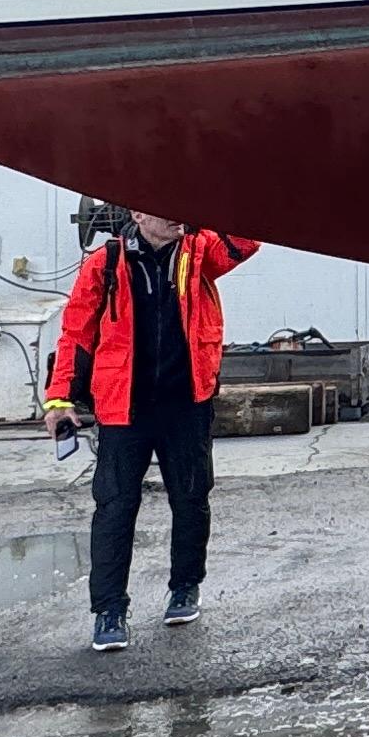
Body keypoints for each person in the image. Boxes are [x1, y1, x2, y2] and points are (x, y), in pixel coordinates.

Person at [47, 206, 256, 648]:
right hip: (125, 409)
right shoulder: (104, 264)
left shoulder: (201, 253)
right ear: (139, 214)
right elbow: (76, 333)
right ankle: (108, 611)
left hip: (187, 403)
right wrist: (60, 399)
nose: (180, 214)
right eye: (168, 205)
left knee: (192, 497)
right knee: (115, 507)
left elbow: (249, 237)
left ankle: (185, 586)